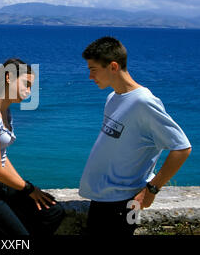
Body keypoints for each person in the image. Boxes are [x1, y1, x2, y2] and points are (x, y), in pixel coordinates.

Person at [79, 36, 192, 236]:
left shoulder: (144, 102)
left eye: (93, 69)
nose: (90, 76)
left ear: (113, 66)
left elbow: (182, 148)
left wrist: (152, 190)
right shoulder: (113, 97)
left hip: (125, 204)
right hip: (104, 199)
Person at [0, 58, 65, 236]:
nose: (29, 91)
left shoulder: (5, 113)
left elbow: (1, 157)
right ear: (8, 78)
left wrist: (26, 186)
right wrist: (28, 189)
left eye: (31, 86)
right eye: (26, 84)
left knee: (54, 212)